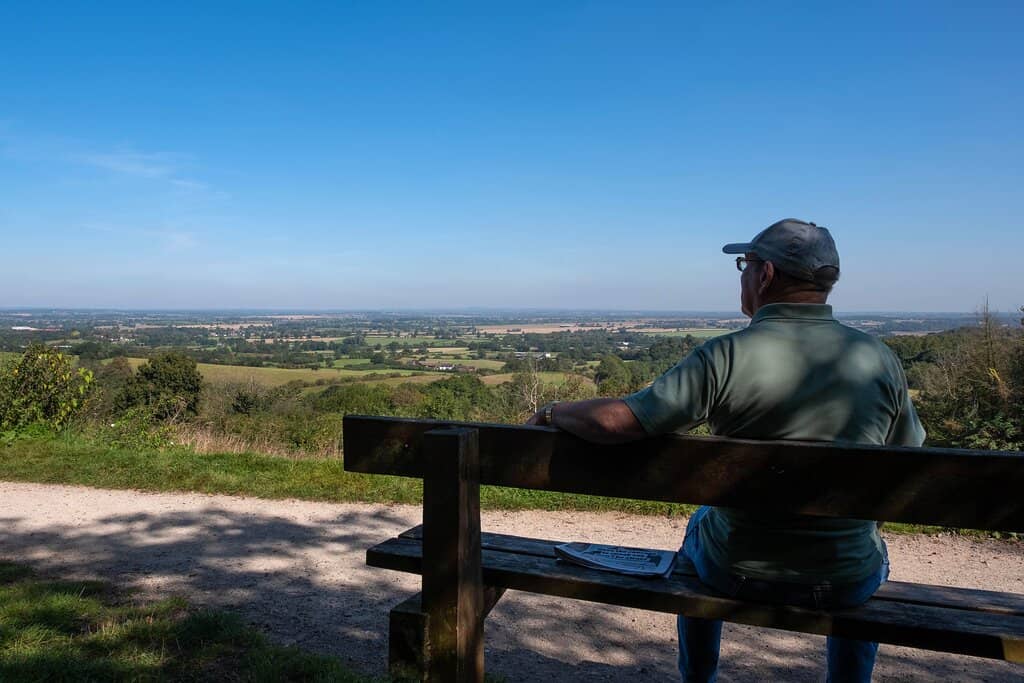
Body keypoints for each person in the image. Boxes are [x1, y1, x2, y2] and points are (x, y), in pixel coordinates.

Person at [527, 219, 926, 683]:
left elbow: (624, 422)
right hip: (844, 580)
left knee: (702, 520)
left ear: (766, 275)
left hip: (735, 571)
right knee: (866, 544)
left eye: (745, 264)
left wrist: (554, 411)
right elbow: (907, 457)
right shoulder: (878, 358)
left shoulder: (723, 357)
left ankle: (699, 677)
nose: (742, 275)